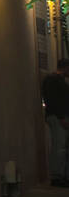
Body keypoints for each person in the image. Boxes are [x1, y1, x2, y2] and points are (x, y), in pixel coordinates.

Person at [42, 59, 69, 187]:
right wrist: (61, 117)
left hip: (58, 116)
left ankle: (61, 175)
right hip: (57, 117)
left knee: (61, 146)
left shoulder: (58, 80)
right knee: (59, 146)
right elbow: (53, 100)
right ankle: (57, 176)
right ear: (65, 67)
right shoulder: (53, 80)